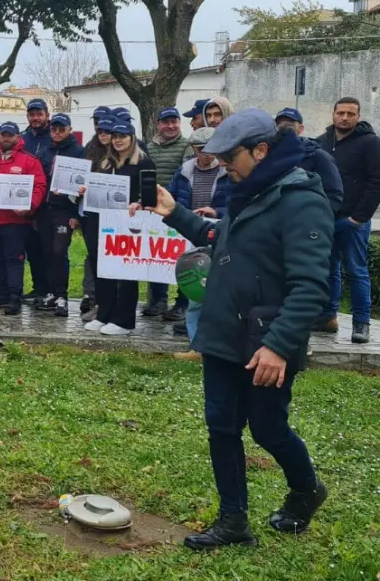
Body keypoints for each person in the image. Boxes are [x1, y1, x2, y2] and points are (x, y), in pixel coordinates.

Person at [140, 108, 330, 551]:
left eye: (231, 157)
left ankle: (307, 490)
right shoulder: (250, 191)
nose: (223, 165)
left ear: (261, 151)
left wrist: (279, 346)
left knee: (268, 429)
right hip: (225, 335)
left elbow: (311, 287)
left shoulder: (301, 201)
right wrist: (173, 211)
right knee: (221, 426)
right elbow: (217, 238)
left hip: (265, 342)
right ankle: (233, 520)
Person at [316, 96, 380, 343]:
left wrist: (358, 217)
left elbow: (376, 182)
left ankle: (361, 323)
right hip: (326, 219)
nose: (344, 118)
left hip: (354, 221)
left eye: (350, 114)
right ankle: (328, 317)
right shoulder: (322, 142)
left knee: (357, 271)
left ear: (358, 116)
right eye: (340, 113)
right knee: (329, 269)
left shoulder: (370, 143)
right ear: (333, 114)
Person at [82, 120, 155, 336]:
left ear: (132, 138)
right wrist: (88, 189)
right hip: (102, 221)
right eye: (115, 137)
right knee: (102, 268)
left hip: (128, 223)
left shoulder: (143, 162)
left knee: (125, 270)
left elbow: (150, 194)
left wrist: (140, 202)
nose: (118, 140)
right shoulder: (107, 163)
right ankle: (104, 313)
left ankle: (124, 320)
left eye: (122, 136)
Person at [167, 126, 230, 338]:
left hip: (218, 233)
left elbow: (237, 204)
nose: (206, 152)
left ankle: (211, 338)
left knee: (215, 292)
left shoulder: (228, 171)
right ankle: (196, 341)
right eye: (200, 148)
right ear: (193, 149)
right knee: (194, 291)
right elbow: (172, 195)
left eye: (210, 148)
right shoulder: (184, 170)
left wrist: (216, 211)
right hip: (191, 232)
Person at [0, 122, 46, 315]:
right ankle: (2, 294)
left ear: (18, 137)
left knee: (14, 259)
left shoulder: (29, 161)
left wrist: (29, 207)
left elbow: (39, 187)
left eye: (11, 135)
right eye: (4, 135)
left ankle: (15, 296)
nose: (6, 139)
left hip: (15, 222)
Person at [145, 107, 195, 319]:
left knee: (183, 257)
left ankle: (181, 303)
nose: (171, 126)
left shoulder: (187, 146)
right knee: (156, 255)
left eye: (174, 121)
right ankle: (159, 300)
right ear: (159, 125)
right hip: (153, 208)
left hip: (177, 207)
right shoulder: (149, 147)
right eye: (166, 122)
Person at [38, 113, 84, 317]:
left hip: (65, 210)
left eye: (61, 129)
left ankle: (62, 296)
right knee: (46, 252)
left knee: (59, 252)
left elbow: (83, 184)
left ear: (69, 130)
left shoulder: (78, 152)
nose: (57, 133)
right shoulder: (46, 150)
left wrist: (76, 213)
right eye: (54, 129)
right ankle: (50, 293)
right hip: (45, 210)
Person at [274, 108, 344, 215]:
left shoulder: (318, 156)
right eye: (279, 124)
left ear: (301, 129)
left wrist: (315, 218)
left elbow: (334, 195)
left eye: (290, 124)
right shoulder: (268, 155)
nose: (283, 127)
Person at [79, 117, 116, 320]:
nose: (103, 134)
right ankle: (99, 304)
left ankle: (112, 306)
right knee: (95, 258)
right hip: (92, 213)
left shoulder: (124, 156)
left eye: (108, 130)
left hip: (115, 215)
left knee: (112, 261)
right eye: (100, 130)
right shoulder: (90, 150)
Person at [21, 99, 55, 303]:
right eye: (32, 114)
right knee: (32, 249)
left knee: (52, 250)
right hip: (26, 202)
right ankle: (38, 287)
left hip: (49, 203)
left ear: (46, 115)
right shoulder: (23, 139)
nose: (35, 118)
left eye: (39, 114)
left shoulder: (54, 136)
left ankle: (54, 291)